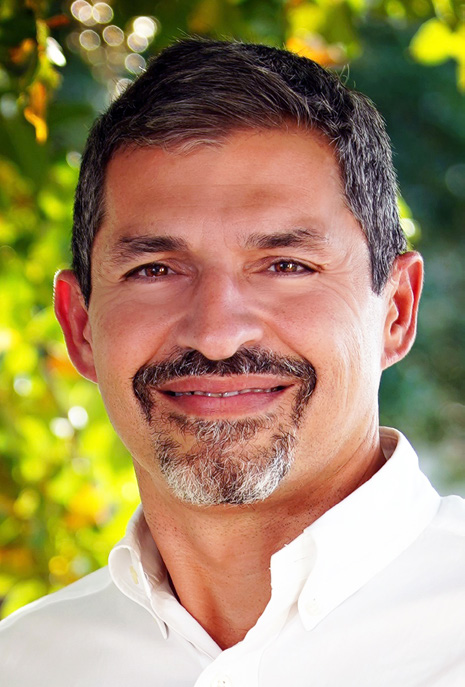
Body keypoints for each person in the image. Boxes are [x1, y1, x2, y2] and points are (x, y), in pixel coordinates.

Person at [1, 37, 464, 686]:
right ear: (78, 324)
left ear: (396, 312)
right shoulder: (25, 663)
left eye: (285, 265)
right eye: (154, 268)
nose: (216, 334)